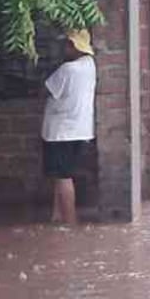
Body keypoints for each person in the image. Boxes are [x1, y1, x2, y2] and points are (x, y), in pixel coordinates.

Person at [42, 28, 97, 224]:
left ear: (74, 46)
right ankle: (57, 215)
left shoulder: (68, 69)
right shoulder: (90, 65)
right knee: (62, 174)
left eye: (67, 44)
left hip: (60, 131)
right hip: (80, 129)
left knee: (63, 176)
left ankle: (70, 221)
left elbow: (48, 90)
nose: (64, 48)